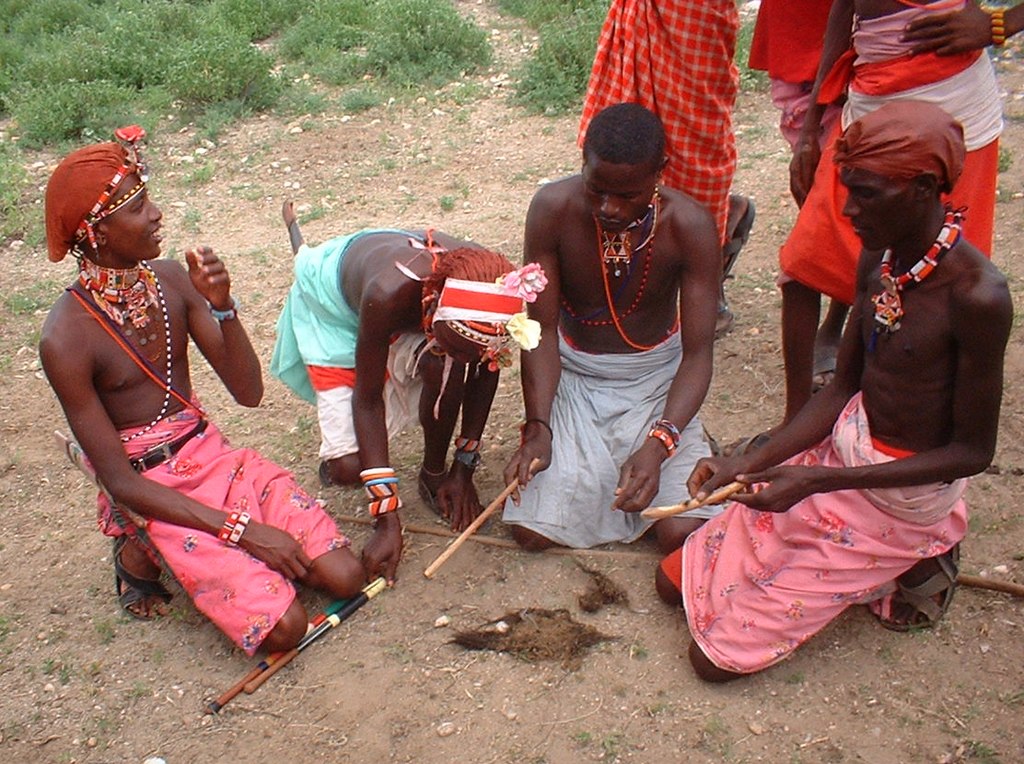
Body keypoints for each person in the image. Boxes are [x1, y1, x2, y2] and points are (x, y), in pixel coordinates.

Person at [656, 101, 1012, 681]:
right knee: (671, 580)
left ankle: (915, 554)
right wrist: (751, 461)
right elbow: (844, 386)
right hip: (841, 456)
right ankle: (840, 547)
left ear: (925, 188)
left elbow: (972, 453)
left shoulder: (978, 298)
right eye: (849, 189)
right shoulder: (881, 259)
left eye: (867, 194)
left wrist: (818, 480)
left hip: (903, 497)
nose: (848, 210)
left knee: (712, 662)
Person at [39, 127, 365, 656]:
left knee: (347, 576)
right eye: (138, 207)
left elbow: (249, 391)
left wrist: (223, 307)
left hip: (212, 457)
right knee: (286, 630)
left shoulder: (173, 280)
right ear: (96, 232)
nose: (156, 214)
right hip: (153, 490)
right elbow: (122, 482)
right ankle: (137, 551)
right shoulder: (66, 337)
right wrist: (243, 531)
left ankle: (215, 555)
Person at [270, 205, 546, 577]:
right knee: (348, 468)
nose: (468, 361)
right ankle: (347, 463)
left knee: (446, 366)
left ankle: (432, 475)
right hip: (336, 309)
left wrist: (463, 468)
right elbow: (366, 401)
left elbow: (486, 365)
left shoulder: (493, 286)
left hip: (411, 305)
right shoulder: (387, 294)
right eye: (456, 345)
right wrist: (386, 518)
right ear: (434, 310)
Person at [774, 0, 1004, 437]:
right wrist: (810, 127)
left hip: (952, 102)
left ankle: (930, 431)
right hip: (871, 96)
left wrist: (1001, 24)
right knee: (804, 266)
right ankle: (796, 424)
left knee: (943, 284)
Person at [503, 103, 721, 551]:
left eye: (629, 196)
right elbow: (540, 329)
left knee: (682, 530)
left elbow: (698, 354)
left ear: (661, 171)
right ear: (582, 161)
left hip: (655, 382)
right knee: (532, 532)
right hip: (577, 378)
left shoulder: (690, 225)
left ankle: (684, 433)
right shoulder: (552, 208)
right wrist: (539, 426)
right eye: (597, 190)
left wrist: (660, 443)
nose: (611, 209)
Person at [578, 0, 756, 338]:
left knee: (697, 166)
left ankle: (708, 264)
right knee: (619, 164)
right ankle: (621, 288)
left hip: (696, 15)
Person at [748, 0, 849, 412]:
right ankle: (797, 415)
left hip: (866, 63)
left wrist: (998, 25)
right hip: (801, 35)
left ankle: (836, 327)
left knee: (840, 216)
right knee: (822, 212)